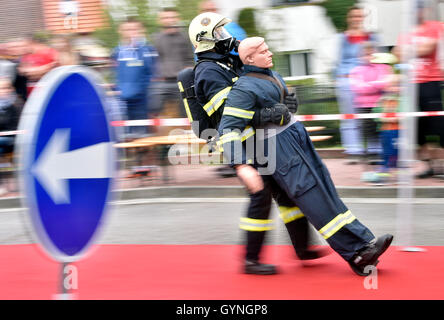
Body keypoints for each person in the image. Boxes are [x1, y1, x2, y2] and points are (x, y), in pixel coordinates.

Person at [217, 36, 393, 276]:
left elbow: (278, 109)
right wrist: (241, 165)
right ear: (249, 58)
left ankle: (362, 245)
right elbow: (227, 128)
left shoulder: (271, 75)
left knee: (323, 190)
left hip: (295, 139)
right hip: (278, 148)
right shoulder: (244, 88)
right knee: (313, 195)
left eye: (269, 48)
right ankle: (358, 253)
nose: (270, 53)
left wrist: (288, 105)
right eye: (263, 51)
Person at [188, 12, 326, 275]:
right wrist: (269, 115)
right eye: (219, 34)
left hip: (257, 139)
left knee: (284, 191)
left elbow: (255, 92)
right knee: (260, 196)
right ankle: (251, 259)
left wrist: (282, 102)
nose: (226, 37)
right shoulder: (208, 71)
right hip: (239, 143)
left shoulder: (227, 62)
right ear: (205, 40)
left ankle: (303, 247)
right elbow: (229, 114)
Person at [393, 0, 444, 179]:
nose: (416, 13)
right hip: (411, 84)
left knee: (439, 125)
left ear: (424, 10)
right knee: (417, 128)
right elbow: (396, 54)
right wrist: (415, 50)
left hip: (430, 81)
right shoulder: (404, 33)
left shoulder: (435, 27)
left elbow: (430, 47)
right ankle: (427, 165)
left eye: (419, 9)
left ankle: (442, 165)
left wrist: (409, 50)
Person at [335, 6, 379, 163]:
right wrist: (339, 78)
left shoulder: (372, 37)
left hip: (368, 79)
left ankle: (375, 149)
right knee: (349, 116)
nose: (357, 19)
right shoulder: (342, 38)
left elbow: (376, 57)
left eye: (360, 16)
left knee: (372, 115)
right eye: (354, 16)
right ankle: (354, 150)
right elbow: (339, 60)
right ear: (349, 18)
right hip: (347, 80)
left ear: (363, 18)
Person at [111, 18, 157, 138]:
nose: (131, 32)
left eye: (134, 29)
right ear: (120, 31)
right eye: (127, 29)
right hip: (122, 101)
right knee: (126, 136)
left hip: (142, 101)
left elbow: (152, 73)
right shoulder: (116, 52)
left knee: (143, 137)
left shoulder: (147, 50)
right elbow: (114, 74)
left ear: (140, 30)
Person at [150, 7, 194, 127]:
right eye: (166, 17)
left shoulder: (185, 37)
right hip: (162, 83)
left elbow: (190, 58)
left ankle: (188, 136)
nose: (169, 20)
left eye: (172, 17)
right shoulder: (156, 38)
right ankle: (161, 142)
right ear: (161, 20)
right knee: (153, 109)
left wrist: (187, 77)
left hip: (180, 81)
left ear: (177, 19)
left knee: (186, 113)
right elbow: (154, 60)